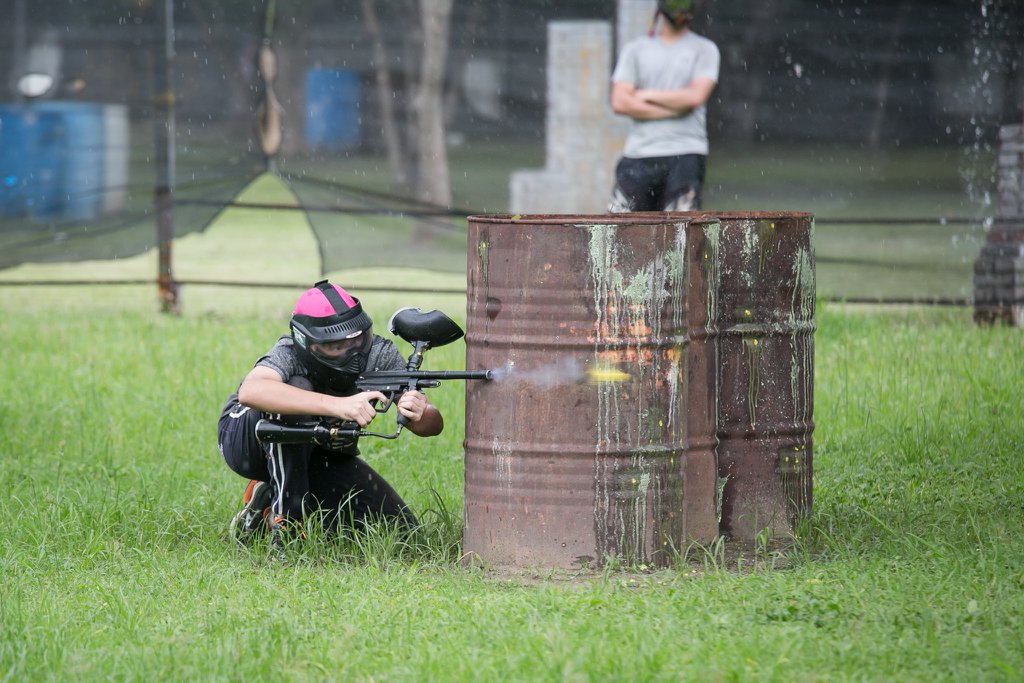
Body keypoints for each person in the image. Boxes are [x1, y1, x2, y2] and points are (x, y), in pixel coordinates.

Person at [217, 280, 443, 550]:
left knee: (399, 531)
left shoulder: (379, 354)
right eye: (336, 346)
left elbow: (431, 426)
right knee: (294, 389)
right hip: (246, 441)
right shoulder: (290, 352)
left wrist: (420, 412)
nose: (352, 352)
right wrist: (339, 405)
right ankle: (287, 525)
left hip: (319, 452)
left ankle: (263, 502)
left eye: (357, 340)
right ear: (308, 343)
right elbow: (252, 390)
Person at [608, 0, 720, 212]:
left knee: (682, 236)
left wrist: (645, 94)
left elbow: (695, 97)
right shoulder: (635, 49)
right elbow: (620, 101)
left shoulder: (705, 49)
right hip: (638, 155)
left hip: (686, 154)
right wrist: (675, 108)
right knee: (619, 235)